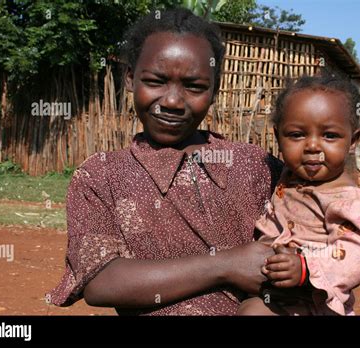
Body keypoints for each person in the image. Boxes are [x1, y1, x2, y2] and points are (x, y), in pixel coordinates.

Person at [47, 8, 284, 315]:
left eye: (195, 86)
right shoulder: (101, 175)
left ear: (215, 90)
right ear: (131, 78)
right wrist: (225, 265)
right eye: (156, 81)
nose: (172, 101)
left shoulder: (256, 166)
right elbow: (100, 281)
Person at [237, 74, 360, 315]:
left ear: (353, 141)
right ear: (278, 138)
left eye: (329, 135)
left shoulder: (350, 203)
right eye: (297, 135)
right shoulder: (288, 174)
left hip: (316, 302)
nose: (312, 146)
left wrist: (307, 268)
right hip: (272, 294)